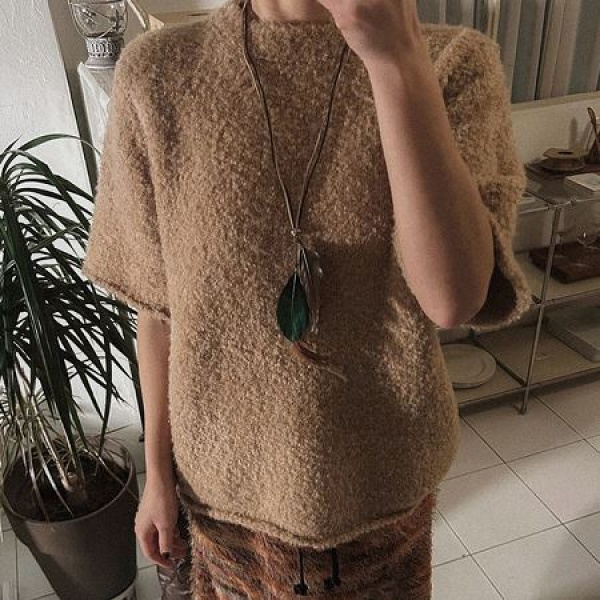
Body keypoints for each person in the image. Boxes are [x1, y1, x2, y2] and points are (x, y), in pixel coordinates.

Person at [82, 0, 533, 597]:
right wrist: (157, 477)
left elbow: (452, 300)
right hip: (224, 507)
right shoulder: (159, 74)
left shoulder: (451, 62)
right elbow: (160, 310)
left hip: (383, 504)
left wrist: (396, 62)